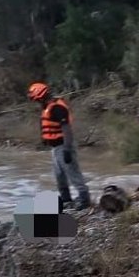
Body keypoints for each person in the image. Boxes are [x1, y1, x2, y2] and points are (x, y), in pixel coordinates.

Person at [28, 82, 91, 210]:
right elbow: (46, 125)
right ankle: (66, 199)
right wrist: (44, 141)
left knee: (73, 173)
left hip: (63, 145)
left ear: (41, 96)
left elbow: (66, 129)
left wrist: (67, 149)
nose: (36, 101)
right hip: (55, 147)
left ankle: (85, 199)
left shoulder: (58, 108)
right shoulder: (47, 107)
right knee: (59, 175)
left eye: (36, 98)